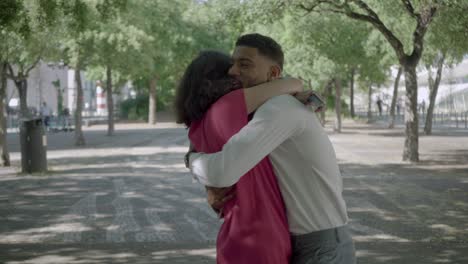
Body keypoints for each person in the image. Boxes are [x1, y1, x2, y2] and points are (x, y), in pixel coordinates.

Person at [187, 33, 356, 264]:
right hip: (302, 242)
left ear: (273, 74)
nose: (233, 71)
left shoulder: (280, 108)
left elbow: (223, 171)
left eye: (244, 64)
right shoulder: (268, 108)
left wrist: (191, 160)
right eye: (232, 63)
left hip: (320, 246)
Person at [175, 50, 317, 263]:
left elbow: (195, 158)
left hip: (234, 233)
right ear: (222, 78)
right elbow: (293, 83)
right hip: (264, 234)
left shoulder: (196, 127)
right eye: (232, 70)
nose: (237, 73)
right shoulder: (229, 105)